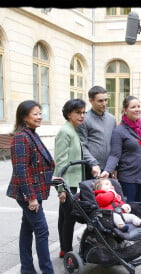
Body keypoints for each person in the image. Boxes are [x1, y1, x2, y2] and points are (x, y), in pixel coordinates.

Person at [6, 100, 63, 274]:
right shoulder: (21, 137)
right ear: (24, 117)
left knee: (27, 228)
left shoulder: (31, 134)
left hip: (34, 190)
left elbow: (35, 165)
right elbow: (21, 170)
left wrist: (51, 177)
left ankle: (27, 267)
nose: (39, 116)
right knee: (42, 231)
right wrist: (31, 198)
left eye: (40, 113)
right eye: (35, 114)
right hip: (27, 193)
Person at [101, 95, 141, 220]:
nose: (137, 109)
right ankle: (128, 235)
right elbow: (115, 154)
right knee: (128, 207)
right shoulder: (119, 130)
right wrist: (107, 170)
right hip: (129, 177)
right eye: (133, 107)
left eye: (138, 106)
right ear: (125, 110)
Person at [54, 99, 86, 258]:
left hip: (72, 182)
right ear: (69, 114)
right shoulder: (65, 131)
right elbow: (60, 162)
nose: (82, 116)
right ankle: (66, 250)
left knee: (65, 216)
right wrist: (61, 189)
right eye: (78, 112)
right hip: (66, 183)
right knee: (69, 217)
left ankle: (64, 248)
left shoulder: (74, 129)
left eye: (83, 112)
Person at [77, 86, 116, 179]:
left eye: (106, 100)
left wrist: (114, 166)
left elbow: (116, 145)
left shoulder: (112, 119)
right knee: (91, 193)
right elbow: (82, 146)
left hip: (108, 169)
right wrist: (93, 163)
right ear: (91, 101)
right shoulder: (83, 120)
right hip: (92, 169)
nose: (104, 103)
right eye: (100, 101)